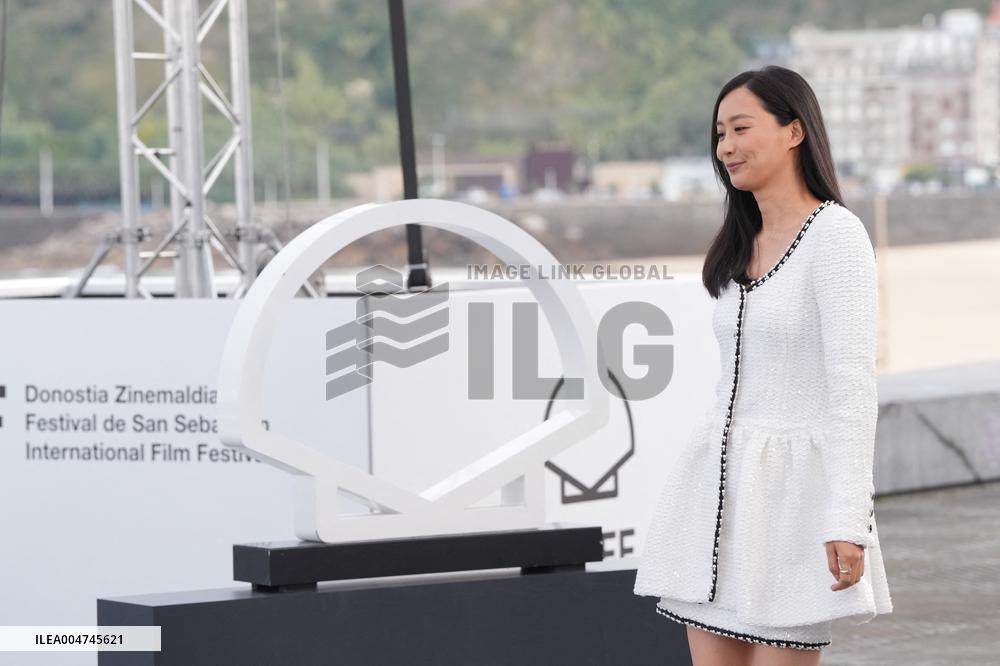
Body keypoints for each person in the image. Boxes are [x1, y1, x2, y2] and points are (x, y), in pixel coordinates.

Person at [632, 65, 893, 665]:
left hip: (793, 500)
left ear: (794, 130)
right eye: (719, 133)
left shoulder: (837, 236)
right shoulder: (737, 242)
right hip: (715, 496)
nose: (725, 147)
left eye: (741, 127)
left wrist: (848, 518)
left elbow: (851, 388)